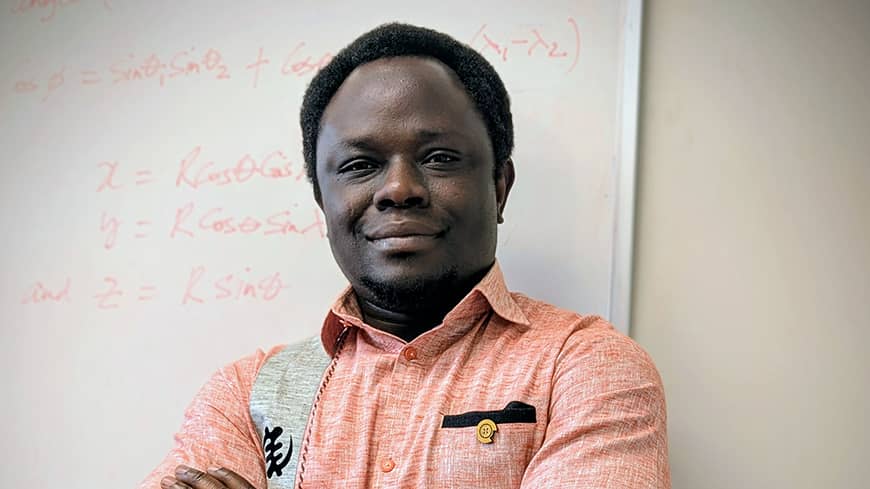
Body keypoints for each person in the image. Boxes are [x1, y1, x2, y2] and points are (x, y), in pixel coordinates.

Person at [144, 23, 670, 489]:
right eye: (359, 165)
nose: (399, 189)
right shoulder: (244, 395)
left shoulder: (583, 368)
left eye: (439, 158)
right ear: (323, 204)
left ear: (500, 187)